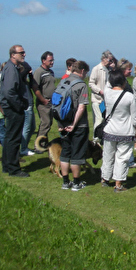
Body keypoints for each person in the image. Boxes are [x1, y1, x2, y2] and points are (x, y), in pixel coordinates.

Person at [100, 69, 136, 192]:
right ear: (123, 82)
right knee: (122, 157)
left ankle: (105, 179)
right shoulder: (129, 96)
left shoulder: (107, 93)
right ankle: (118, 184)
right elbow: (135, 118)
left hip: (109, 130)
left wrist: (112, 71)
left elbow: (107, 84)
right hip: (125, 131)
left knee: (108, 156)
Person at [58, 60, 91, 191]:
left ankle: (65, 182)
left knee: (65, 152)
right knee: (77, 153)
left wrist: (61, 123)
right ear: (82, 71)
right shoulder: (81, 85)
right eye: (86, 73)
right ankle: (76, 183)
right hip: (78, 125)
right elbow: (82, 107)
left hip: (63, 123)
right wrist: (74, 124)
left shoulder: (63, 82)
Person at [0, 45, 30, 177]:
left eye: (23, 52)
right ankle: (13, 168)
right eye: (21, 53)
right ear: (13, 55)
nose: (24, 54)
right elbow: (9, 91)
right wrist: (19, 105)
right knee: (14, 138)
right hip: (13, 108)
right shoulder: (11, 69)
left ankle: (7, 165)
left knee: (9, 137)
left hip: (11, 106)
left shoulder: (11, 68)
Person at [89, 50, 114, 136]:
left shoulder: (110, 70)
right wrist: (99, 91)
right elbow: (91, 83)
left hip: (107, 99)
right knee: (98, 119)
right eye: (109, 60)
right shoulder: (96, 69)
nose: (110, 62)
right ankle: (96, 138)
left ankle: (102, 136)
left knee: (105, 119)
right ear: (104, 58)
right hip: (97, 99)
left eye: (111, 60)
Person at [34, 51, 56, 139]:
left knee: (49, 122)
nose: (52, 62)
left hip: (51, 101)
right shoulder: (39, 72)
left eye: (53, 60)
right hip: (43, 102)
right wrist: (43, 100)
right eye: (50, 60)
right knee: (45, 123)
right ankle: (39, 145)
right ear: (43, 60)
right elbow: (35, 88)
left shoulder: (51, 72)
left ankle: (43, 142)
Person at [19, 61, 37, 157]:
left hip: (30, 104)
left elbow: (31, 84)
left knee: (32, 127)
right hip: (26, 106)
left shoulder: (25, 80)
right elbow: (27, 68)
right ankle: (23, 148)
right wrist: (26, 68)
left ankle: (24, 146)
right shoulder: (20, 79)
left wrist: (30, 75)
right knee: (26, 128)